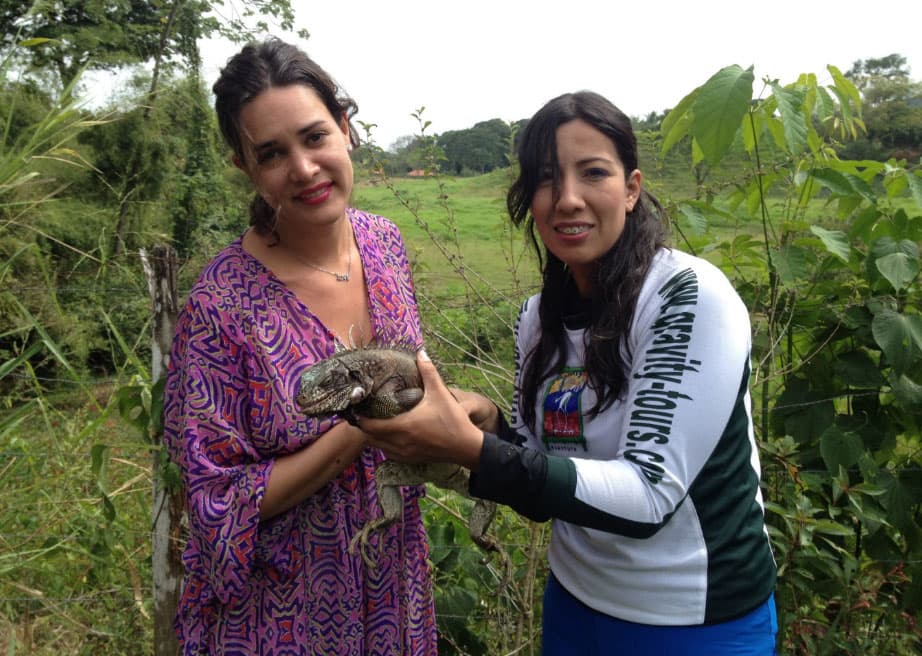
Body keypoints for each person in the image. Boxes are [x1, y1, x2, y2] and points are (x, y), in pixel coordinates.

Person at [359, 91, 778, 655]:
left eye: (594, 173)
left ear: (631, 188)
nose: (568, 199)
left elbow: (649, 497)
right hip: (574, 605)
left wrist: (474, 451)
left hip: (695, 621)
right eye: (546, 179)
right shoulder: (536, 319)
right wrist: (488, 426)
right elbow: (541, 471)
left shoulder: (686, 296)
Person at [162, 38, 437, 655]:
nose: (305, 169)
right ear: (246, 168)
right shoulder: (220, 307)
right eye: (272, 153)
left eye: (315, 137)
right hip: (284, 616)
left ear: (345, 127)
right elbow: (214, 503)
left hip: (393, 587)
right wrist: (362, 428)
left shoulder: (385, 245)